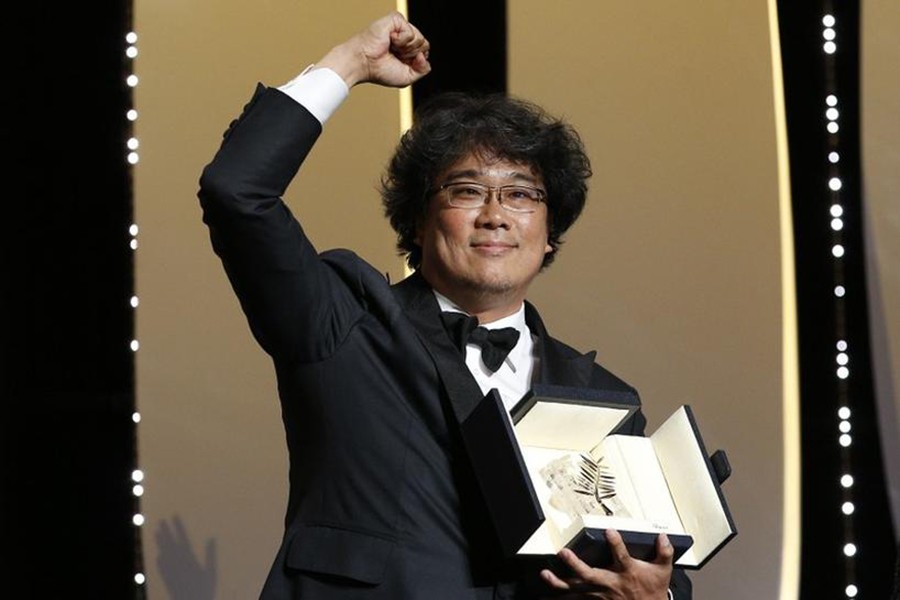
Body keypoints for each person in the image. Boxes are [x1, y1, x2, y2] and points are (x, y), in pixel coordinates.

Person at [198, 11, 691, 600]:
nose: (495, 214)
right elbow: (237, 191)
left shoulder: (607, 400)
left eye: (522, 194)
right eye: (466, 190)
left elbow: (643, 564)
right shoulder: (343, 322)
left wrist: (656, 595)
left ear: (550, 230)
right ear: (418, 218)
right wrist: (351, 63)